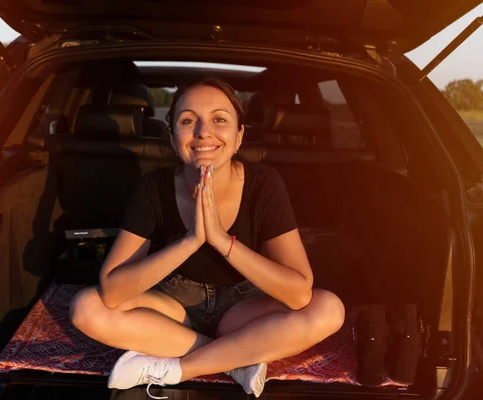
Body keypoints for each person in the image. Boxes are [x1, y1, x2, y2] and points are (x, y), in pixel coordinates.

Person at [69, 78, 345, 398]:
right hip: (174, 308)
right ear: (172, 138)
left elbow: (299, 294)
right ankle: (235, 358)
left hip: (242, 308)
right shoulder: (154, 186)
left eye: (220, 119)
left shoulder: (264, 183)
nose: (203, 132)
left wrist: (221, 241)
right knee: (86, 307)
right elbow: (113, 292)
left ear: (239, 135)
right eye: (188, 121)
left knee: (328, 309)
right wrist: (190, 241)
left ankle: (176, 369)